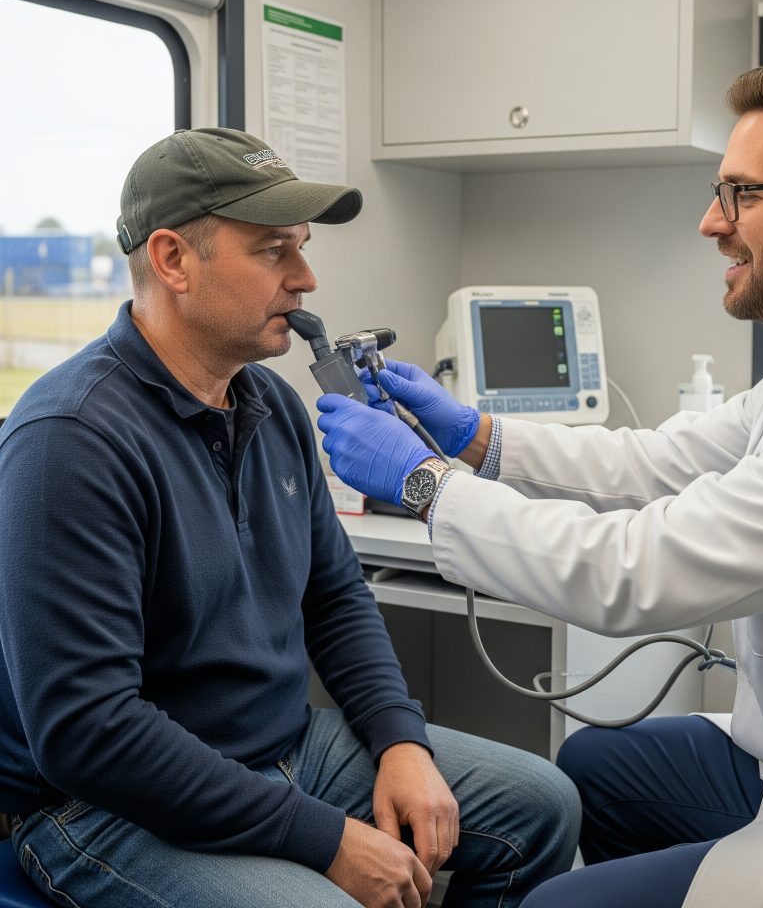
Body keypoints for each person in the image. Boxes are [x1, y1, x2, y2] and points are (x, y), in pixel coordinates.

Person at [316, 63, 763, 908]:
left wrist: (425, 483)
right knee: (591, 768)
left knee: (553, 904)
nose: (710, 222)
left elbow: (636, 572)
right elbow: (657, 462)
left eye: (742, 195)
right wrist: (477, 436)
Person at [0, 127, 580, 908]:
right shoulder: (68, 441)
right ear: (172, 260)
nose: (306, 278)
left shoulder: (267, 401)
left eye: (302, 247)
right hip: (104, 806)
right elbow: (89, 733)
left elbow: (335, 598)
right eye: (274, 251)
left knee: (543, 806)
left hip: (281, 748)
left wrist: (401, 739)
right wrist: (323, 838)